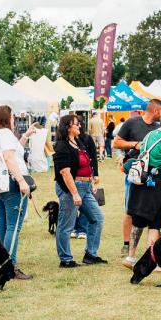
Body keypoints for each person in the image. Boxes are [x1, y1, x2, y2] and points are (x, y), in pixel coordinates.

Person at [0, 106, 34, 280]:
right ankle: (8, 266)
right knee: (13, 226)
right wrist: (21, 180)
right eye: (12, 116)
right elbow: (9, 158)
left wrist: (26, 135)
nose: (13, 119)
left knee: (1, 225)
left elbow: (14, 153)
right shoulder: (4, 133)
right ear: (8, 117)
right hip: (11, 184)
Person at [123, 111, 161, 269]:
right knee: (155, 222)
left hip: (141, 181)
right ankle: (153, 260)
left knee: (138, 220)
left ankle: (131, 257)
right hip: (158, 184)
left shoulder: (148, 135)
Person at [53, 113, 105, 268]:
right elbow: (65, 172)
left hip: (85, 186)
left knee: (97, 218)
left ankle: (91, 254)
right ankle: (66, 259)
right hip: (71, 188)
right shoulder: (62, 146)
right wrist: (74, 193)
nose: (80, 126)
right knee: (66, 225)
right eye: (77, 124)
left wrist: (92, 178)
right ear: (68, 126)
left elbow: (88, 162)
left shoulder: (78, 142)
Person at [112, 99, 161, 259]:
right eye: (160, 111)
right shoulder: (132, 123)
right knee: (130, 209)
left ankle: (152, 248)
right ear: (154, 111)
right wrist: (135, 145)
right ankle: (127, 244)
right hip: (135, 172)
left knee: (151, 210)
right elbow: (116, 143)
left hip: (153, 174)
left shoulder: (158, 127)